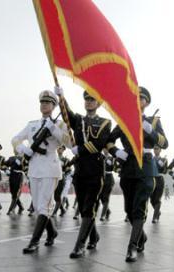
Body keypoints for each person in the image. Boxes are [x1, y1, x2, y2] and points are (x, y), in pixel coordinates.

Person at [106, 86, 168, 262]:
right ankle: (141, 237)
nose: (138, 101)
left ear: (146, 102)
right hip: (127, 166)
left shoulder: (153, 121)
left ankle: (132, 247)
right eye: (135, 97)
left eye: (141, 98)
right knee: (129, 209)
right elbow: (109, 140)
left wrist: (150, 129)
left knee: (139, 206)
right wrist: (117, 152)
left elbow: (165, 143)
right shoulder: (124, 120)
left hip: (146, 166)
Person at [54, 86, 112, 258]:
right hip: (80, 169)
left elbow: (100, 143)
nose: (89, 102)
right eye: (86, 99)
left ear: (98, 103)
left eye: (92, 100)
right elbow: (67, 114)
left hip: (95, 169)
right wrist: (61, 97)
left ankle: (80, 245)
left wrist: (81, 149)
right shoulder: (78, 120)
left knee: (88, 207)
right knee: (84, 205)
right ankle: (94, 236)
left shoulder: (105, 123)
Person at [12, 90, 71, 254]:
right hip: (34, 167)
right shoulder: (32, 125)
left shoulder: (58, 124)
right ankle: (52, 232)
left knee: (44, 205)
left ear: (53, 106)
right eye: (42, 102)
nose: (44, 105)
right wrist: (25, 150)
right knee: (39, 207)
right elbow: (15, 139)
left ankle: (34, 241)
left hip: (50, 167)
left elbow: (70, 142)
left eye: (48, 103)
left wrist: (55, 130)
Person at [5, 151, 28, 215]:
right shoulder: (11, 158)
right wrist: (6, 169)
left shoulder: (22, 158)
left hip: (18, 176)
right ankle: (21, 207)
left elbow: (26, 167)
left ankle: (10, 209)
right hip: (12, 175)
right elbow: (4, 164)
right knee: (12, 193)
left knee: (15, 194)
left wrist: (27, 174)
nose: (15, 150)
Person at [52, 146, 73, 217]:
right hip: (53, 178)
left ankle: (54, 212)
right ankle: (62, 209)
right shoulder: (53, 158)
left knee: (57, 196)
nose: (59, 149)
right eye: (58, 148)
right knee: (55, 197)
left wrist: (63, 172)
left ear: (63, 150)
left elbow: (69, 169)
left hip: (61, 179)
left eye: (61, 148)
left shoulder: (65, 159)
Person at [150, 146, 168, 223]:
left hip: (159, 179)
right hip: (151, 179)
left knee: (157, 199)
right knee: (152, 200)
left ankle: (155, 217)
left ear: (160, 150)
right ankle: (158, 212)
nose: (155, 150)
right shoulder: (150, 158)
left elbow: (165, 171)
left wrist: (163, 165)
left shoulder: (164, 159)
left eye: (157, 149)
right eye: (154, 149)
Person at [99, 148, 116, 221]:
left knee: (106, 196)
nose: (104, 150)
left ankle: (102, 215)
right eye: (103, 149)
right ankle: (108, 211)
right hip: (102, 178)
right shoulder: (100, 157)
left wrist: (111, 163)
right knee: (101, 197)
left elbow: (115, 168)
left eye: (106, 149)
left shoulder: (112, 158)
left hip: (109, 178)